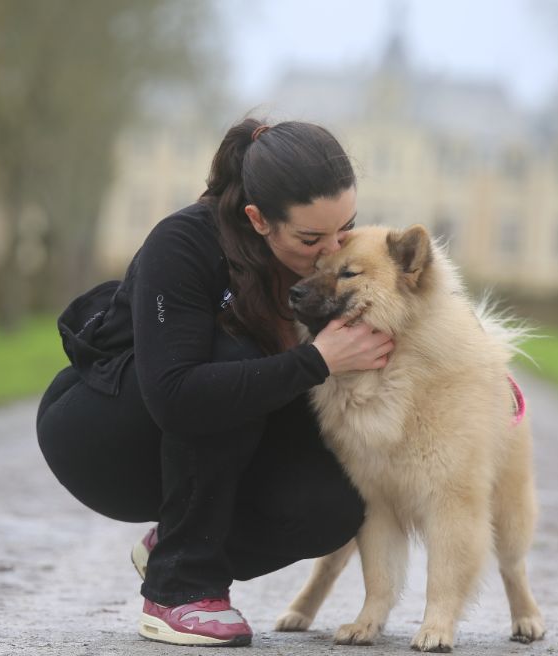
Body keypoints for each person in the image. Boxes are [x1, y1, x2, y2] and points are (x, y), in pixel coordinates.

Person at [35, 117, 394, 647]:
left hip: (217, 433)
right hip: (103, 433)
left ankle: (174, 547)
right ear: (258, 218)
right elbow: (177, 396)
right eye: (311, 237)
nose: (332, 249)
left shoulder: (328, 256)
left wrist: (477, 376)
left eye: (346, 228)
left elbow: (409, 299)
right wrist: (316, 360)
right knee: (227, 359)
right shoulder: (182, 243)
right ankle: (179, 590)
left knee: (338, 504)